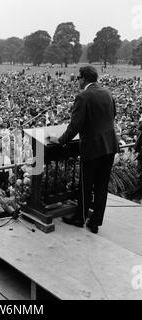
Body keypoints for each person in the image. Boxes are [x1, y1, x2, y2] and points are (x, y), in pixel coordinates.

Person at [49, 65, 119, 234]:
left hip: (93, 147)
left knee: (86, 184)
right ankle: (95, 222)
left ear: (84, 78)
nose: (77, 81)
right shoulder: (107, 92)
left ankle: (80, 217)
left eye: (78, 78)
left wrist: (60, 140)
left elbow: (75, 126)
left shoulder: (83, 96)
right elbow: (113, 115)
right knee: (102, 186)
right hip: (109, 145)